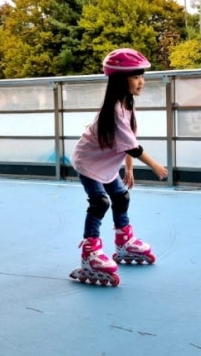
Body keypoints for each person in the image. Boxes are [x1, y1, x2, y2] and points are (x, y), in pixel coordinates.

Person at [69, 48, 168, 286]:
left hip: (106, 163)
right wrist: (155, 166)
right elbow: (133, 147)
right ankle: (90, 253)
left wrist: (129, 169)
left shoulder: (126, 105)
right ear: (119, 81)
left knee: (121, 196)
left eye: (142, 76)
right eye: (135, 77)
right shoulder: (114, 110)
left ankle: (124, 241)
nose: (141, 82)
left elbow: (127, 141)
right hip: (89, 162)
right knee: (100, 202)